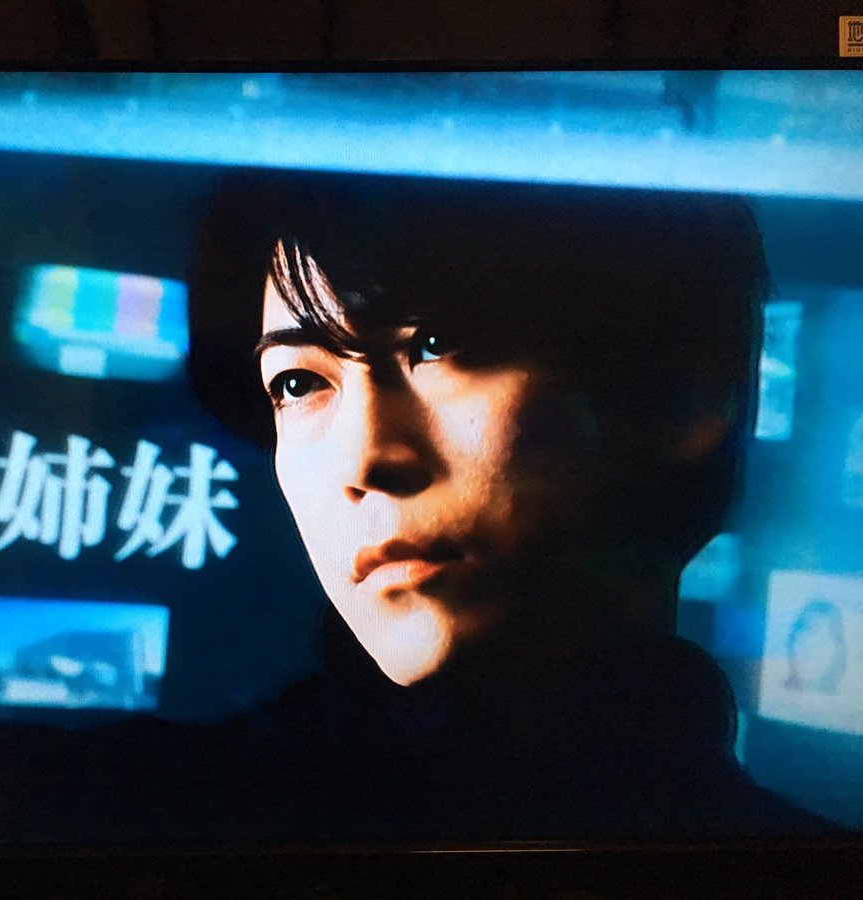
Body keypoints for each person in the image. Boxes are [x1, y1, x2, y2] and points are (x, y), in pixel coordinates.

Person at [183, 171, 843, 839]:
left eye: (437, 345)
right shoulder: (167, 820)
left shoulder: (806, 873)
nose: (365, 459)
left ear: (681, 396)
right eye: (298, 383)